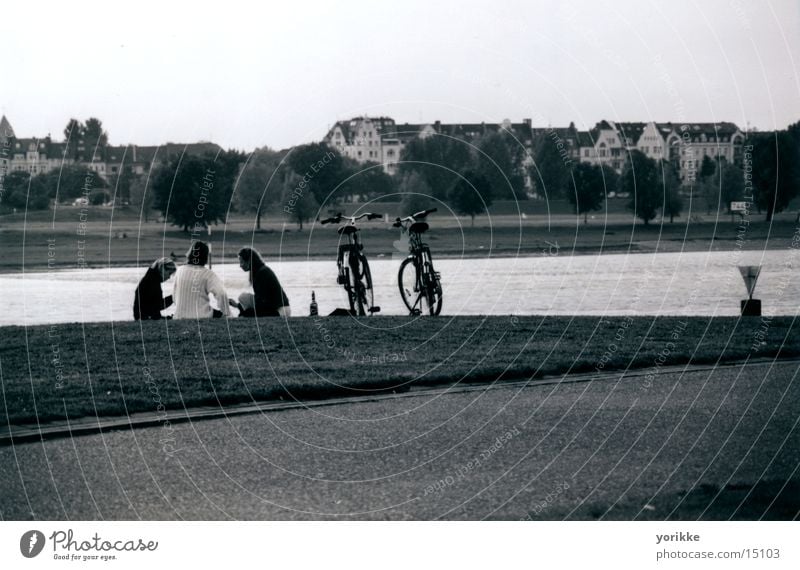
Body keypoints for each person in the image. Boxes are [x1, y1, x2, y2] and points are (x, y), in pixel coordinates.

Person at [172, 241, 231, 319]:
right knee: (220, 314)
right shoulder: (208, 274)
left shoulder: (179, 270)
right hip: (201, 315)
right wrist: (226, 313)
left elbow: (174, 295)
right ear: (205, 256)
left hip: (179, 315)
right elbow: (222, 294)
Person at [232, 247, 291, 317]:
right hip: (275, 307)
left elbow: (263, 302)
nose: (240, 265)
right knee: (243, 297)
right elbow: (261, 301)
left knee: (246, 309)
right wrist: (237, 305)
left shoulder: (262, 273)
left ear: (249, 261)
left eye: (242, 262)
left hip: (279, 310)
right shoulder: (259, 271)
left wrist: (248, 312)